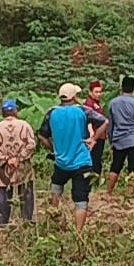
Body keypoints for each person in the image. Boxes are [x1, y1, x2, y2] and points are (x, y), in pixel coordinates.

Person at [39, 83, 106, 232]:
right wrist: (93, 139)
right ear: (74, 97)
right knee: (81, 199)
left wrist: (54, 149)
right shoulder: (83, 111)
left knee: (56, 187)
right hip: (81, 161)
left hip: (61, 161)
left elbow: (42, 136)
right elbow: (104, 121)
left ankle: (54, 220)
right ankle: (78, 232)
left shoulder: (51, 113)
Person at [0, 99, 36, 227]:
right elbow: (31, 145)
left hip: (5, 167)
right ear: (15, 111)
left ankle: (1, 224)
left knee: (3, 191)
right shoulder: (24, 125)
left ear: (3, 113)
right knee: (26, 192)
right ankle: (27, 222)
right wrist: (19, 158)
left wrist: (6, 159)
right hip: (22, 165)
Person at [104, 76, 134, 194]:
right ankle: (130, 194)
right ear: (133, 89)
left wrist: (111, 140)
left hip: (119, 140)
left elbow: (110, 124)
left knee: (115, 166)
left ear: (121, 87)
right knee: (133, 167)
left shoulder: (113, 103)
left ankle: (108, 192)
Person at [84, 81, 107, 176]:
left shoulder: (97, 103)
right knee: (94, 159)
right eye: (96, 92)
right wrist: (92, 135)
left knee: (97, 159)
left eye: (100, 92)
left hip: (100, 136)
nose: (99, 94)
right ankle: (93, 179)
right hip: (94, 136)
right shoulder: (89, 104)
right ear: (90, 92)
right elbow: (88, 120)